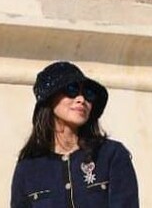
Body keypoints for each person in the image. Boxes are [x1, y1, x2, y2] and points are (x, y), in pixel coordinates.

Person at [10, 61, 139, 208]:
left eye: (88, 94)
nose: (81, 100)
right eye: (71, 90)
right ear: (50, 100)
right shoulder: (28, 168)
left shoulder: (111, 155)